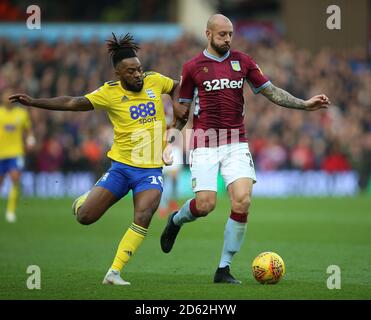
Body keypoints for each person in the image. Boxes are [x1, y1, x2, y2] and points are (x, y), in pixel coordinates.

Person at [161, 14, 330, 284]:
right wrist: (170, 140)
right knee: (205, 205)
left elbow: (271, 91)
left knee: (243, 200)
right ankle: (176, 220)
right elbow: (182, 112)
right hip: (204, 143)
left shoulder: (243, 61)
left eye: (230, 34)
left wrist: (304, 104)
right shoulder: (192, 67)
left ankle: (223, 268)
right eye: (222, 35)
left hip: (236, 142)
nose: (227, 39)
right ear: (208, 34)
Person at [9, 33, 179, 285]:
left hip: (150, 169)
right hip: (121, 168)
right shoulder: (108, 93)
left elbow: (179, 87)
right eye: (131, 72)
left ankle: (114, 272)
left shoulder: (155, 80)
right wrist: (35, 102)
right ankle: (83, 202)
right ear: (119, 75)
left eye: (139, 69)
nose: (138, 75)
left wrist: (177, 120)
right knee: (85, 217)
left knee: (144, 214)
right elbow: (72, 102)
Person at [0, 88, 35, 223]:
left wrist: (31, 139)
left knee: (15, 178)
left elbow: (29, 129)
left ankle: (10, 211)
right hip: (1, 153)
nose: (8, 99)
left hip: (16, 152)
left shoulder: (21, 113)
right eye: (5, 96)